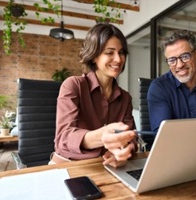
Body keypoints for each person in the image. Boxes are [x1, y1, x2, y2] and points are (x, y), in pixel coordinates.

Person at [50, 23, 138, 167]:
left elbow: (131, 137)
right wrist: (102, 136)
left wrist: (125, 152)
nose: (118, 59)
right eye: (109, 52)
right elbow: (63, 137)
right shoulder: (73, 85)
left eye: (121, 52)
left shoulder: (125, 98)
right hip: (68, 166)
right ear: (94, 56)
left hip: (106, 167)